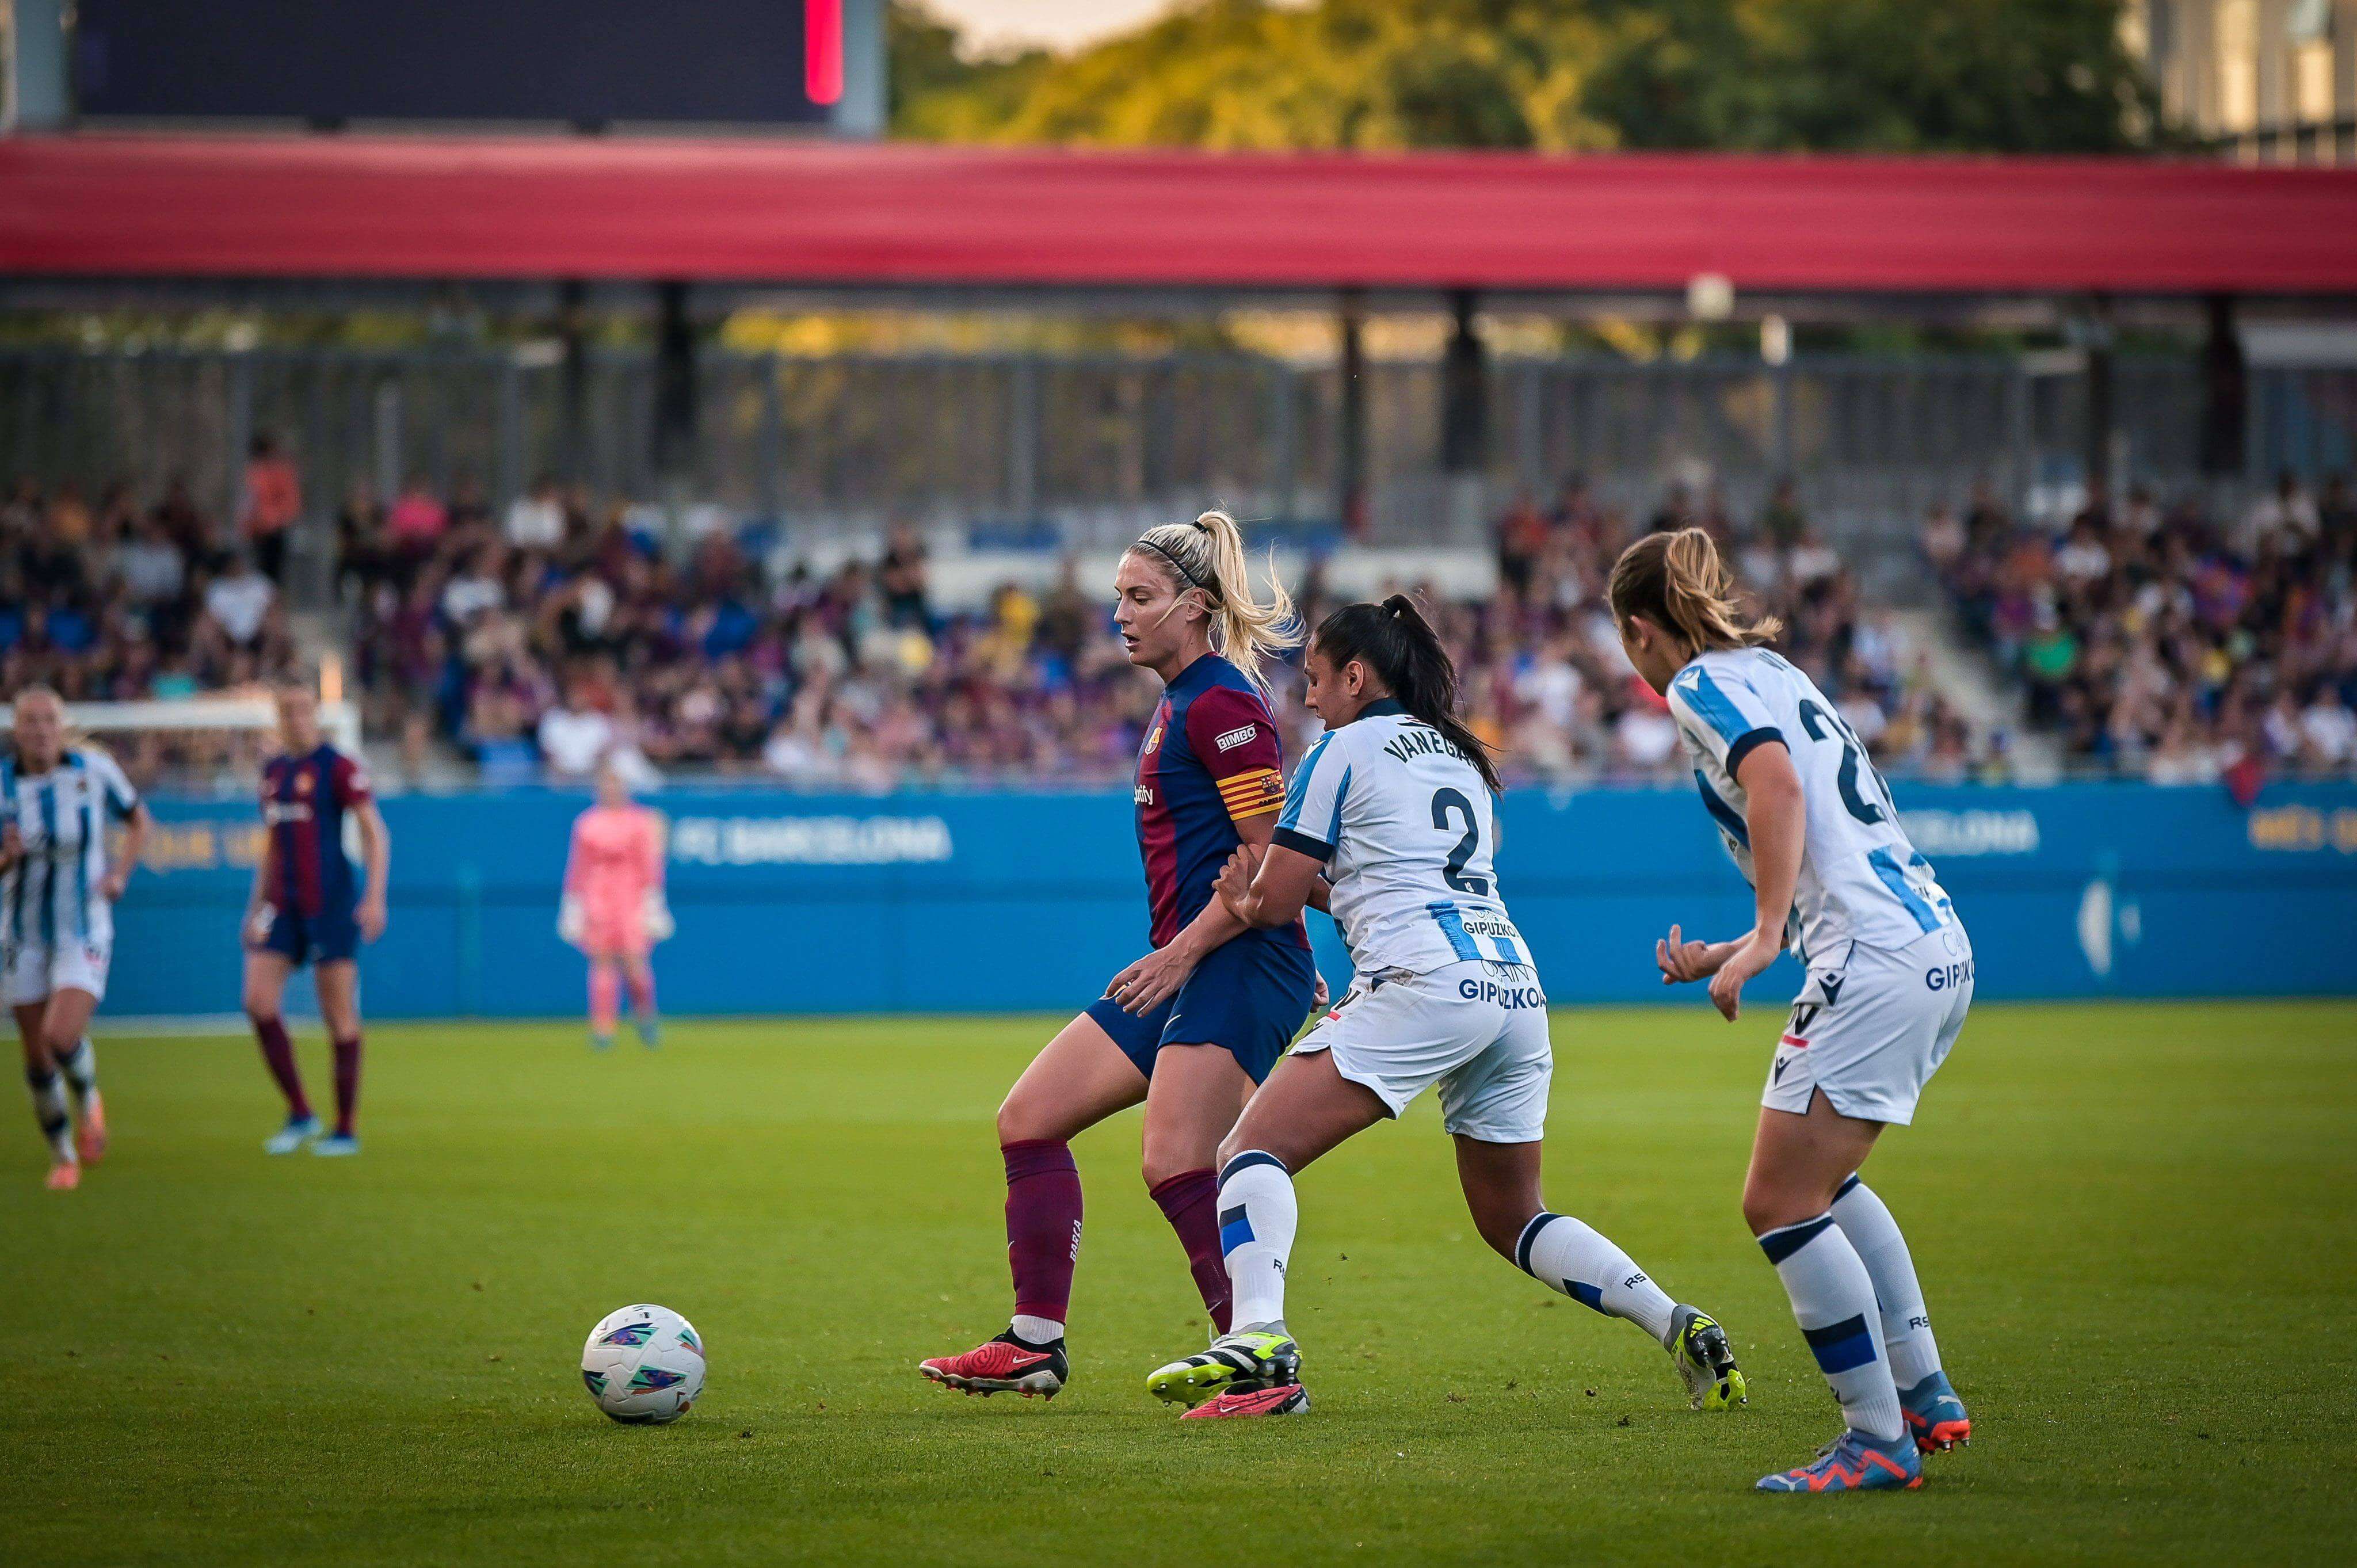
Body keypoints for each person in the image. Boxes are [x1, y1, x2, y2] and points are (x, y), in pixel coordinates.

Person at [1146, 598, 1744, 1420]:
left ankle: (1260, 1335)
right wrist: (1293, 894)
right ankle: (1675, 1319)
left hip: (1422, 983)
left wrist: (1243, 897)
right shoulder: (1461, 757)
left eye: (1317, 680)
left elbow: (1282, 898)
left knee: (1249, 1150)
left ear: (1357, 677)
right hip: (1513, 989)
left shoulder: (1339, 750)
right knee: (1513, 1215)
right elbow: (1389, 881)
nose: (1309, 699)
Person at [918, 510, 1319, 1401]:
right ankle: (1034, 1342)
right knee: (1028, 1117)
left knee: (1176, 1156)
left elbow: (1268, 861)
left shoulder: (1222, 702)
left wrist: (1183, 956)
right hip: (1192, 963)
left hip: (1239, 962)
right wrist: (1178, 957)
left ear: (1196, 606)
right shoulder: (1180, 699)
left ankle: (1261, 1362)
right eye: (1119, 599)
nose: (1121, 615)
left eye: (1140, 598)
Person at [1607, 528, 1973, 1493]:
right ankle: (1925, 1395)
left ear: (1642, 632)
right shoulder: (1770, 668)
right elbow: (1824, 830)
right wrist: (1734, 946)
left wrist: (1767, 935)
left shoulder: (1695, 686)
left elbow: (1771, 780)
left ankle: (1876, 1440)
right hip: (1929, 939)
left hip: (1874, 955)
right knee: (1829, 1187)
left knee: (1777, 1201)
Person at [1, 688, 150, 1191]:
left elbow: (138, 820)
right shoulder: (2, 784)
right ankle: (62, 1154)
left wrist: (120, 875)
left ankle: (88, 1097)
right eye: (30, 721)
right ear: (16, 729)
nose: (40, 730)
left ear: (61, 726)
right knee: (35, 1055)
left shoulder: (94, 770)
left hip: (83, 926)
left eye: (49, 720)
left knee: (59, 1035)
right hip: (21, 933)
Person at [243, 683, 390, 1158]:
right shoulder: (274, 772)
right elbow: (272, 846)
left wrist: (374, 897)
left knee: (338, 1015)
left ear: (315, 713)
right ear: (278, 716)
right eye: (287, 710)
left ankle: (345, 1127)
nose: (296, 717)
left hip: (331, 904)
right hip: (283, 907)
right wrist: (256, 908)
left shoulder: (338, 766)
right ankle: (301, 1112)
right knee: (258, 1003)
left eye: (303, 708)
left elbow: (375, 833)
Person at [559, 760, 669, 1051]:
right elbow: (578, 866)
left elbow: (650, 863)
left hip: (631, 896)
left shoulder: (642, 821)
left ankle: (645, 1018)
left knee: (635, 964)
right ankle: (603, 1028)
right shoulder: (587, 823)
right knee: (602, 961)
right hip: (598, 898)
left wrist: (654, 900)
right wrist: (572, 903)